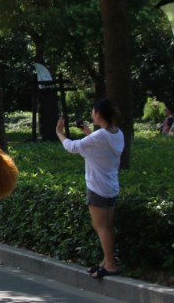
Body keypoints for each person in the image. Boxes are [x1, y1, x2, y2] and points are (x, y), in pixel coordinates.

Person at [55, 99, 124, 279]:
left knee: (100, 226)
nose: (92, 114)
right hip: (111, 186)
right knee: (107, 226)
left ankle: (110, 264)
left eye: (93, 111)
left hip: (97, 187)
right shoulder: (116, 133)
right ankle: (106, 260)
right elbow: (97, 149)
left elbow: (72, 147)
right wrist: (88, 132)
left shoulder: (99, 137)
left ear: (98, 114)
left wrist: (60, 133)